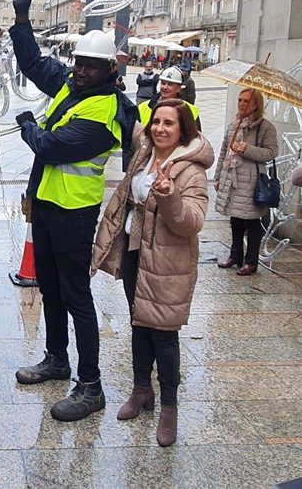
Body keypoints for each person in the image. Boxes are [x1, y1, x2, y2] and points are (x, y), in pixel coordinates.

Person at [9, 0, 138, 423]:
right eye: (78, 63)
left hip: (73, 215)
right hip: (46, 207)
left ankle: (91, 385)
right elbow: (31, 63)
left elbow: (51, 146)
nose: (80, 71)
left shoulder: (105, 112)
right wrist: (22, 20)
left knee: (76, 296)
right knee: (50, 288)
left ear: (108, 70)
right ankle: (57, 359)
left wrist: (27, 124)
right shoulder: (71, 86)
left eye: (90, 66)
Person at [93, 98, 213, 447]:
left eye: (169, 124)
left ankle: (169, 410)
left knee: (163, 333)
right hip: (135, 253)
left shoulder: (191, 169)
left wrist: (171, 197)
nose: (160, 128)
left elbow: (193, 222)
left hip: (168, 263)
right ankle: (141, 390)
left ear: (183, 129)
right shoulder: (144, 152)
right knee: (138, 323)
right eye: (156, 121)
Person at [214, 89, 278, 275]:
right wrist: (218, 177)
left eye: (246, 101)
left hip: (251, 182)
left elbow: (271, 152)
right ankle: (235, 255)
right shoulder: (234, 125)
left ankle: (251, 261)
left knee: (251, 221)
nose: (242, 104)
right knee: (235, 219)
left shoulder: (265, 127)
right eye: (240, 100)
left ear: (256, 104)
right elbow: (224, 152)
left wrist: (247, 149)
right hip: (232, 179)